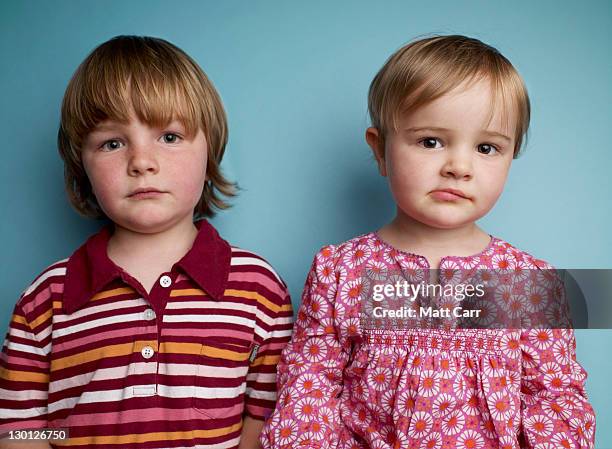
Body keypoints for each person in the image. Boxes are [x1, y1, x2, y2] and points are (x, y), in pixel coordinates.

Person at [260, 35, 595, 449]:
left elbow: (556, 400)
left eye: (487, 147)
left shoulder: (525, 282)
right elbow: (308, 388)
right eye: (430, 141)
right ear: (381, 150)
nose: (458, 166)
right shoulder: (342, 271)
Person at [0, 35, 292, 449]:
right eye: (112, 143)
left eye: (169, 137)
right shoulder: (46, 299)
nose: (141, 161)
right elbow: (23, 426)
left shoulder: (258, 289)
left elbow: (266, 417)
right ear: (81, 165)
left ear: (210, 153)